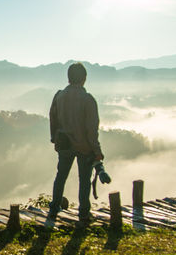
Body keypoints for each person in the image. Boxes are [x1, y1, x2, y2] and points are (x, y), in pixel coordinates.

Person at [47, 62, 110, 228]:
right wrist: (97, 151)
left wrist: (54, 138)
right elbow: (91, 130)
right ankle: (83, 213)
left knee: (61, 176)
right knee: (84, 180)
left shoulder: (59, 96)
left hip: (64, 143)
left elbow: (53, 118)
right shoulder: (88, 100)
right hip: (84, 146)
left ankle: (54, 209)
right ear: (84, 79)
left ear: (68, 78)